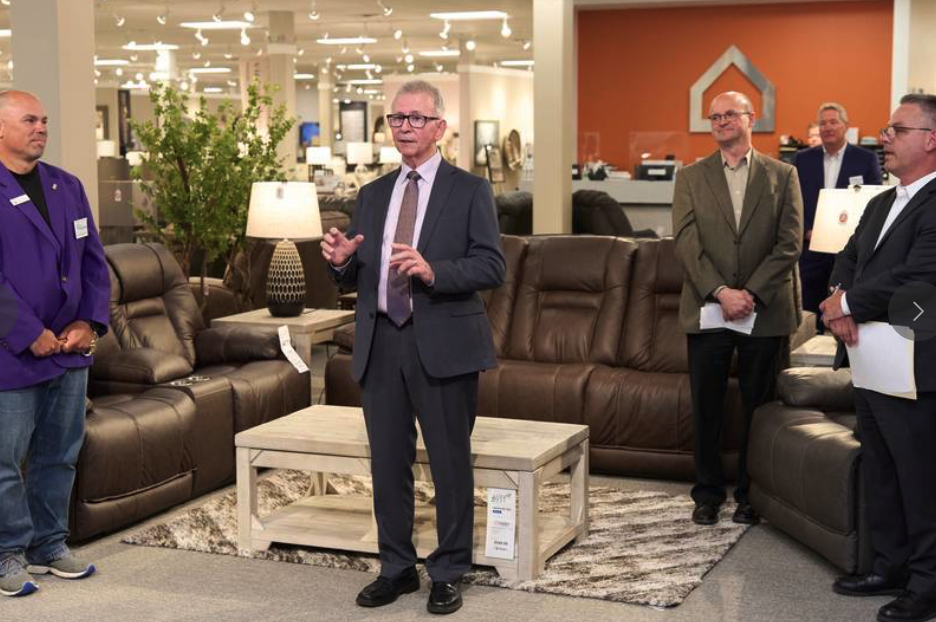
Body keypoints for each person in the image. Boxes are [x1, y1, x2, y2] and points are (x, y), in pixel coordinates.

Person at [321, 80, 505, 615]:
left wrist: (433, 270)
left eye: (416, 118)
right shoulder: (373, 193)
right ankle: (396, 567)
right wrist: (341, 263)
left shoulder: (470, 190)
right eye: (397, 118)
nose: (405, 127)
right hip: (381, 340)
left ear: (439, 127)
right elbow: (359, 270)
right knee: (387, 464)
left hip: (443, 342)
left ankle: (448, 571)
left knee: (449, 463)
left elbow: (491, 265)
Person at [821, 93, 936, 622]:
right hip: (868, 359)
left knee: (919, 478)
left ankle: (926, 584)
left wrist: (847, 304)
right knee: (882, 470)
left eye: (897, 130)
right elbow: (848, 258)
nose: (883, 138)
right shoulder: (879, 201)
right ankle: (888, 566)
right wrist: (837, 302)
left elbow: (917, 276)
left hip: (916, 365)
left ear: (931, 140)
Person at [672, 91, 803, 527]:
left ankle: (752, 496)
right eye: (714, 117)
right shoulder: (690, 177)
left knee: (758, 409)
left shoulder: (783, 174)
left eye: (730, 114)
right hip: (708, 309)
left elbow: (790, 243)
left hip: (764, 311)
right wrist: (721, 291)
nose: (721, 122)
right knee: (706, 407)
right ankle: (707, 494)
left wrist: (750, 293)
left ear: (752, 118)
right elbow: (686, 243)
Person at [0, 90, 110, 597]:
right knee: (5, 462)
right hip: (12, 352)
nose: (41, 128)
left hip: (70, 350)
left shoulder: (67, 185)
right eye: (29, 120)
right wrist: (29, 333)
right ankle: (7, 552)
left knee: (60, 454)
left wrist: (90, 322)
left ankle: (48, 544)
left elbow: (93, 262)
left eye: (43, 120)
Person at [793, 103, 882, 326]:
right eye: (823, 123)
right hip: (811, 248)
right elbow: (792, 201)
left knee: (844, 314)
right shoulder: (802, 159)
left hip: (849, 251)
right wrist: (806, 231)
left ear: (846, 126)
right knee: (809, 312)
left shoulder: (866, 159)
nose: (828, 127)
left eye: (834, 122)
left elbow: (876, 202)